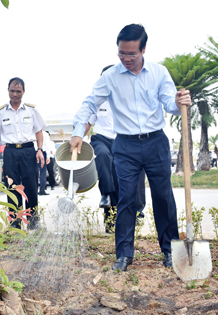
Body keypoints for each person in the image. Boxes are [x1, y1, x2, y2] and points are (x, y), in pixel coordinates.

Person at [70, 24, 191, 271]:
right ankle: (123, 255)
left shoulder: (158, 73)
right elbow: (89, 104)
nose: (126, 59)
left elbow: (168, 103)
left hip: (156, 142)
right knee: (126, 198)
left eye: (131, 54)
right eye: (122, 54)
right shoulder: (110, 77)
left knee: (163, 196)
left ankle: (169, 251)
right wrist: (76, 132)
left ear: (143, 49)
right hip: (125, 146)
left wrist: (178, 101)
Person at [85, 65, 146, 233]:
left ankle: (125, 219)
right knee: (103, 157)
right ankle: (105, 196)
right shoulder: (97, 101)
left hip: (123, 141)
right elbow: (87, 123)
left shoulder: (129, 99)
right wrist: (77, 139)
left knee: (121, 180)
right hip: (101, 139)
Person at [0, 77, 47, 230]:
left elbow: (39, 131)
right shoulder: (1, 112)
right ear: (8, 91)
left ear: (23, 92)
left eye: (18, 91)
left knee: (31, 187)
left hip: (28, 150)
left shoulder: (31, 110)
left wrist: (39, 149)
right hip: (10, 152)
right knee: (12, 187)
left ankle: (33, 222)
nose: (15, 94)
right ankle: (15, 223)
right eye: (12, 91)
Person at [37, 130, 51, 196]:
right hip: (43, 152)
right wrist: (48, 157)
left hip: (33, 152)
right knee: (43, 172)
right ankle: (42, 190)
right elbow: (47, 146)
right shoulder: (45, 134)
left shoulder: (33, 133)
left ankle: (34, 190)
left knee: (33, 173)